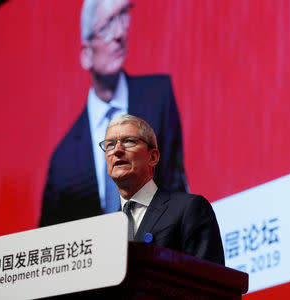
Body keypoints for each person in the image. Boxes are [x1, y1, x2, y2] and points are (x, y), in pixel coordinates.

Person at [39, 0, 187, 226]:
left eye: (122, 16)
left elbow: (178, 193)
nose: (119, 33)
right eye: (107, 26)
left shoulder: (158, 98)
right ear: (86, 54)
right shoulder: (63, 158)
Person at [101, 114, 224, 264]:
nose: (117, 150)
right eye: (110, 145)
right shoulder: (104, 230)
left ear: (153, 157)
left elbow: (208, 280)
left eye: (129, 141)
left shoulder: (188, 209)